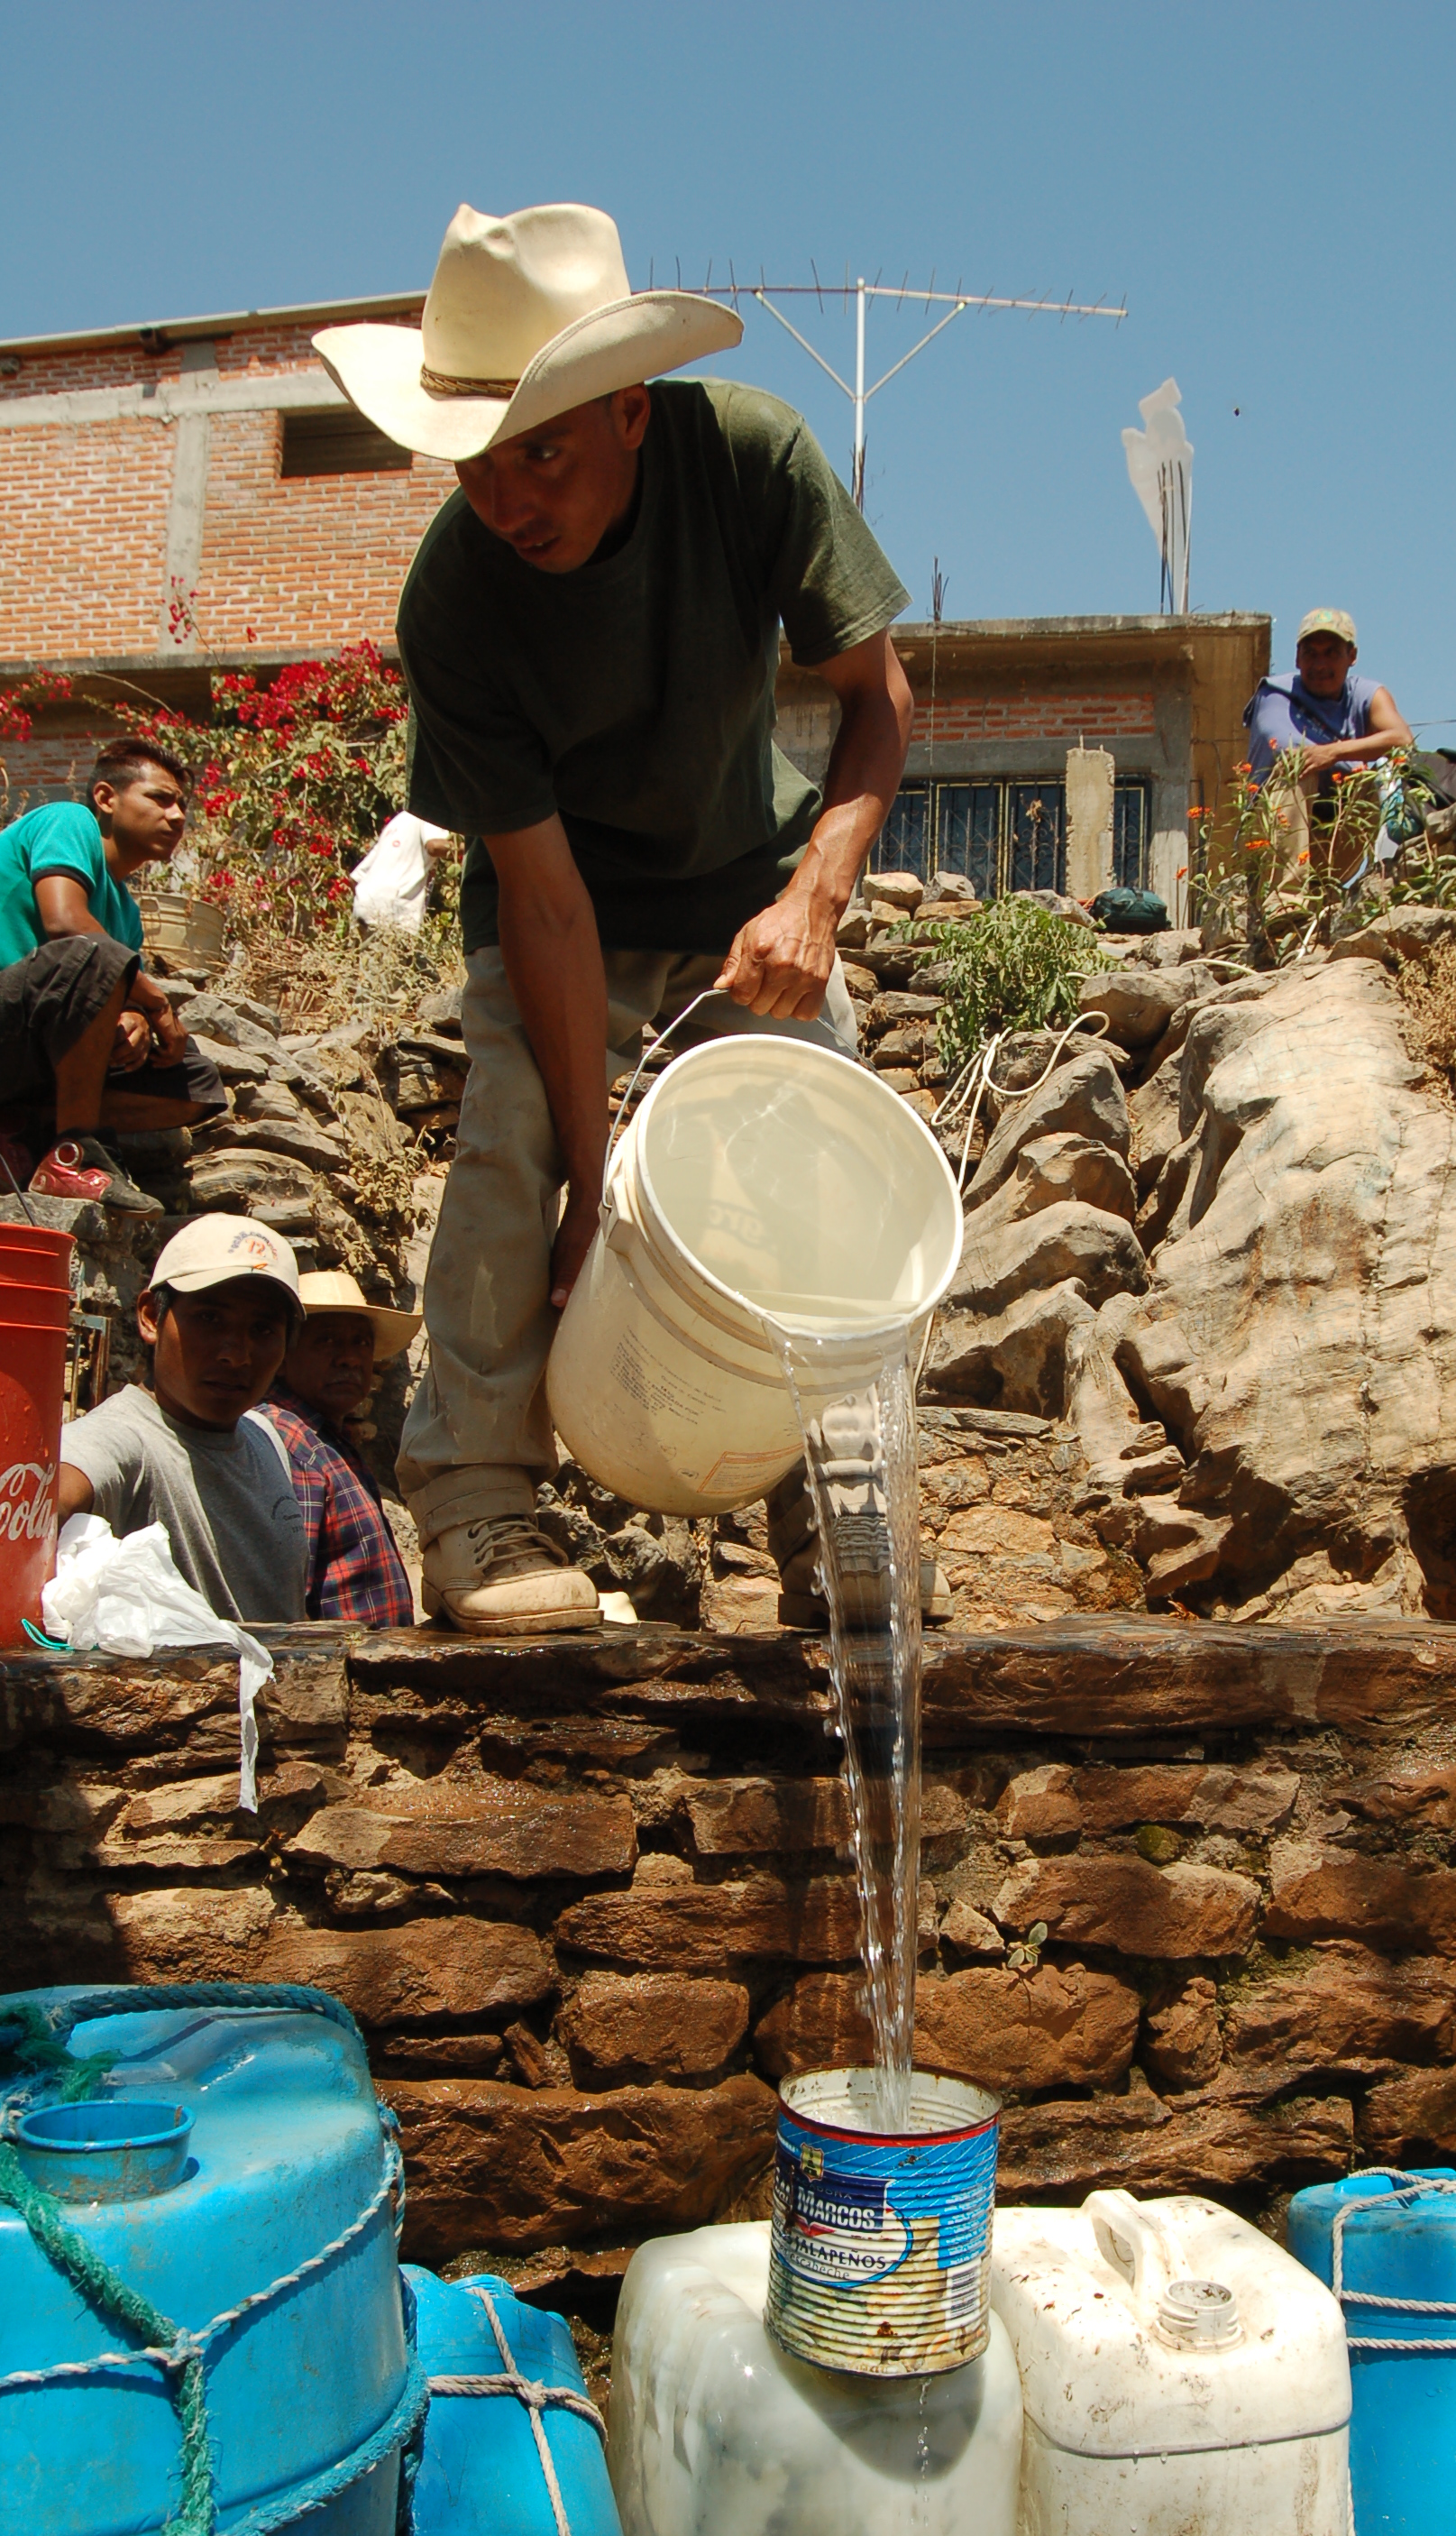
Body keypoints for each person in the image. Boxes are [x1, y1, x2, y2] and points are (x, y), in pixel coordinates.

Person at [315, 201, 913, 1635]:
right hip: (561, 890)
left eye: (543, 452)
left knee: (816, 1178)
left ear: (631, 412)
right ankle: (470, 1497)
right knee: (515, 1150)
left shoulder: (751, 456)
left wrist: (812, 899)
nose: (509, 497)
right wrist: (597, 1188)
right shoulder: (456, 598)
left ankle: (844, 1516)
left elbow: (877, 701)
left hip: (748, 877)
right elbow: (547, 901)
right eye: (476, 464)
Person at [0, 740, 226, 1214]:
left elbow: (101, 989)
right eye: (160, 799)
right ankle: (72, 1153)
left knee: (194, 1080)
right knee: (95, 953)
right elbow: (67, 926)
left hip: (32, 1057)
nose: (178, 817)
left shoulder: (125, 913)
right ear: (106, 798)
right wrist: (156, 1003)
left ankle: (21, 1128)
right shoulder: (68, 820)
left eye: (183, 805)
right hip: (8, 1021)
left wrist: (135, 1023)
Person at [58, 1216, 308, 1625]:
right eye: (210, 1319)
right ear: (151, 1318)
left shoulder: (264, 1437)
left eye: (262, 1329)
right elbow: (45, 1495)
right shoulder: (128, 1440)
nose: (237, 1354)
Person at [257, 1271, 419, 1624]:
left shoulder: (325, 1440)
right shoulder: (288, 1441)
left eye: (361, 1343)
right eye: (327, 1340)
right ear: (283, 1356)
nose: (349, 1358)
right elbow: (286, 1597)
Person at [1243, 611, 1414, 910]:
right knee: (1299, 768)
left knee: (1369, 786)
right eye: (1311, 653)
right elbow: (1289, 749)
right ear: (1297, 658)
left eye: (1332, 653)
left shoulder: (1366, 694)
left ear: (1352, 656)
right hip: (1271, 840)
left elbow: (1402, 739)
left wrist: (1334, 753)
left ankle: (1327, 889)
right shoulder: (1276, 693)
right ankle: (1286, 902)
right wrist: (1353, 755)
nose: (1320, 664)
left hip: (1330, 837)